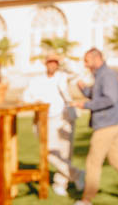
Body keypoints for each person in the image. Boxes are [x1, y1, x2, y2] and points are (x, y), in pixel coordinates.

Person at [73, 48, 118, 205]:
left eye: (86, 61)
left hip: (107, 125)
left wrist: (85, 105)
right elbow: (97, 95)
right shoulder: (100, 76)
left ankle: (86, 200)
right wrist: (83, 88)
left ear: (96, 59)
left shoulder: (108, 75)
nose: (85, 65)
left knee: (93, 162)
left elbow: (109, 99)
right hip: (111, 123)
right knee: (117, 160)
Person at [22, 51, 84, 196]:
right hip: (45, 120)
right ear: (45, 63)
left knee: (65, 153)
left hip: (64, 118)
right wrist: (34, 102)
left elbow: (77, 71)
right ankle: (77, 175)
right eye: (50, 62)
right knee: (49, 153)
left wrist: (64, 59)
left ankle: (60, 183)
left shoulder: (63, 76)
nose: (52, 64)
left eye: (55, 62)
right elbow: (26, 96)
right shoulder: (37, 81)